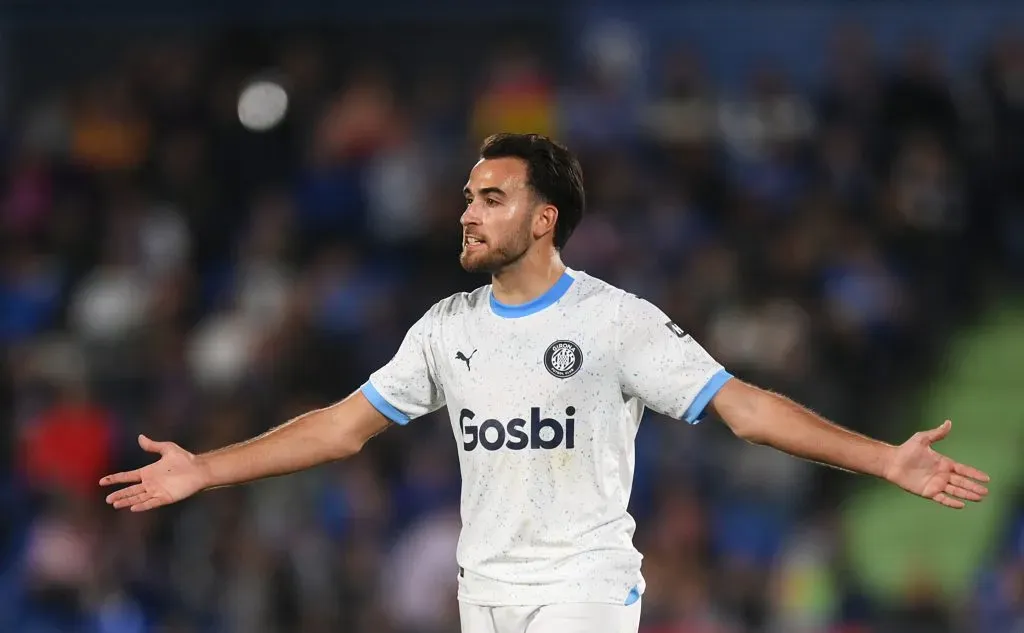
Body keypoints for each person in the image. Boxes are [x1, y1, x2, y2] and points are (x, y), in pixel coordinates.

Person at [101, 133, 991, 633]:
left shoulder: (615, 320)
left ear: (544, 216)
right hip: (480, 590)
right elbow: (340, 428)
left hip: (584, 586)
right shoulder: (446, 329)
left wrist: (883, 458)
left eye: (491, 196)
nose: (468, 211)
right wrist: (206, 468)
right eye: (466, 195)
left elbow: (747, 409)